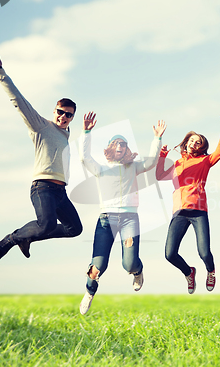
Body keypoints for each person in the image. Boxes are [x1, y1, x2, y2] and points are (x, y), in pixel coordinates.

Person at [0, 48, 83, 261]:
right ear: (54, 111)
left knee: (74, 229)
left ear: (72, 118)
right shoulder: (41, 126)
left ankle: (29, 238)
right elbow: (18, 100)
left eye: (68, 115)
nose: (63, 117)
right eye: (60, 112)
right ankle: (12, 239)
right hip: (42, 187)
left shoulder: (66, 135)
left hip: (60, 192)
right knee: (47, 225)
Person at [79, 113, 166, 315]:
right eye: (116, 144)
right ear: (110, 148)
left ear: (127, 149)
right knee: (98, 265)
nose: (120, 146)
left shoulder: (133, 167)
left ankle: (138, 271)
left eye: (123, 144)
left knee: (129, 263)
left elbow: (152, 162)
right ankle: (89, 292)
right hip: (106, 220)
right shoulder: (101, 169)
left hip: (129, 219)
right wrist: (86, 132)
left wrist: (157, 138)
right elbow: (84, 157)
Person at [155, 104, 220, 294]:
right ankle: (188, 272)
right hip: (179, 212)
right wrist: (162, 155)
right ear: (186, 142)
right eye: (192, 140)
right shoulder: (177, 163)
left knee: (204, 252)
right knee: (170, 254)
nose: (194, 143)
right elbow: (159, 175)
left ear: (202, 147)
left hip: (199, 211)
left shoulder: (205, 161)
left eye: (198, 142)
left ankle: (211, 271)